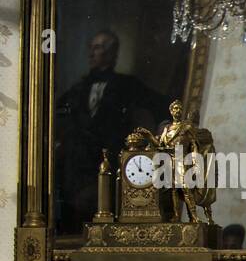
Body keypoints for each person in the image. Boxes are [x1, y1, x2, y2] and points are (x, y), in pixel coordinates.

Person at [53, 29, 173, 234]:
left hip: (111, 159)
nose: (91, 53)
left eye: (98, 48)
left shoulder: (127, 85)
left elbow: (162, 103)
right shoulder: (79, 87)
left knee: (107, 213)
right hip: (78, 164)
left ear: (112, 53)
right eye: (91, 48)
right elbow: (53, 112)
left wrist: (165, 123)